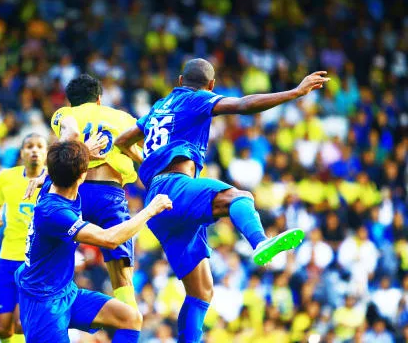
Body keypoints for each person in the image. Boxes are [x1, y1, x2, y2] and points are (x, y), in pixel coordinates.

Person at [115, 59, 329, 342]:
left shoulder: (158, 107)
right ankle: (259, 242)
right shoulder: (196, 99)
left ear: (180, 81)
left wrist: (150, 166)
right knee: (240, 197)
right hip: (176, 188)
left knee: (201, 291)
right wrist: (295, 93)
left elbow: (122, 141)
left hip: (157, 201)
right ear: (211, 85)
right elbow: (242, 104)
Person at [16, 141, 172, 342]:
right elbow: (110, 239)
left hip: (65, 291)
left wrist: (85, 152)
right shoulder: (54, 212)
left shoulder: (51, 184)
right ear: (83, 175)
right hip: (43, 303)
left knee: (130, 318)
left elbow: (59, 167)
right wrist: (150, 210)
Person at [48, 74, 141, 310]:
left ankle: (53, 316)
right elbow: (146, 149)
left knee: (53, 264)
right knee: (122, 277)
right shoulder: (123, 117)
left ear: (70, 102)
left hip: (73, 192)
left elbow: (68, 138)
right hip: (110, 195)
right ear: (99, 98)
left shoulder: (64, 114)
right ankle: (128, 323)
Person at [0, 134, 48, 343]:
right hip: (7, 257)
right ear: (21, 153)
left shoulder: (53, 181)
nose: (34, 150)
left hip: (35, 261)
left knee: (22, 323)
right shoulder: (6, 177)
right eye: (29, 146)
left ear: (46, 153)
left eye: (39, 146)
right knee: (3, 328)